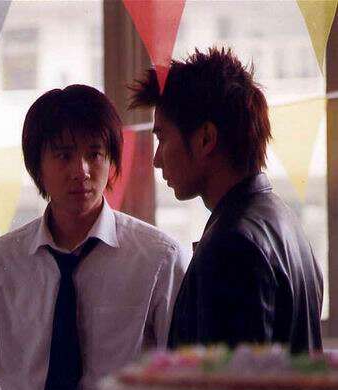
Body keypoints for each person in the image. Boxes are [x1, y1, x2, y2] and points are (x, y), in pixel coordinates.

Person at [0, 84, 188, 390]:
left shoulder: (158, 258)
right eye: (64, 155)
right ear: (37, 166)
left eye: (94, 154)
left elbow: (187, 375)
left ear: (112, 160)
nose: (81, 171)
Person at [129, 47, 323, 353]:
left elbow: (230, 378)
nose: (156, 159)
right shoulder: (282, 218)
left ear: (206, 139)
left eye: (162, 138)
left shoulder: (232, 243)